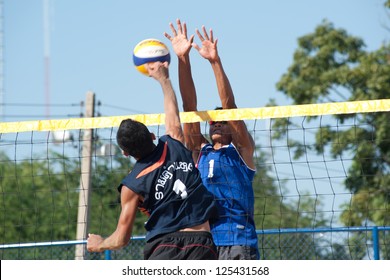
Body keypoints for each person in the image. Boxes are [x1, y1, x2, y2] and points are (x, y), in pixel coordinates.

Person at [87, 60, 218, 260]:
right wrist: (163, 79)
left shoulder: (131, 186)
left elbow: (121, 239)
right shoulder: (173, 144)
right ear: (152, 136)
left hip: (162, 248)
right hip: (201, 244)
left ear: (125, 153)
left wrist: (99, 245)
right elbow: (172, 110)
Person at [165, 19, 259, 260]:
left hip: (238, 241)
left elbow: (230, 106)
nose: (216, 122)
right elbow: (189, 106)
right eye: (213, 120)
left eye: (221, 120)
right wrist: (183, 59)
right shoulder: (200, 150)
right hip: (204, 243)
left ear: (231, 125)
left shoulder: (241, 150)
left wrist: (215, 62)